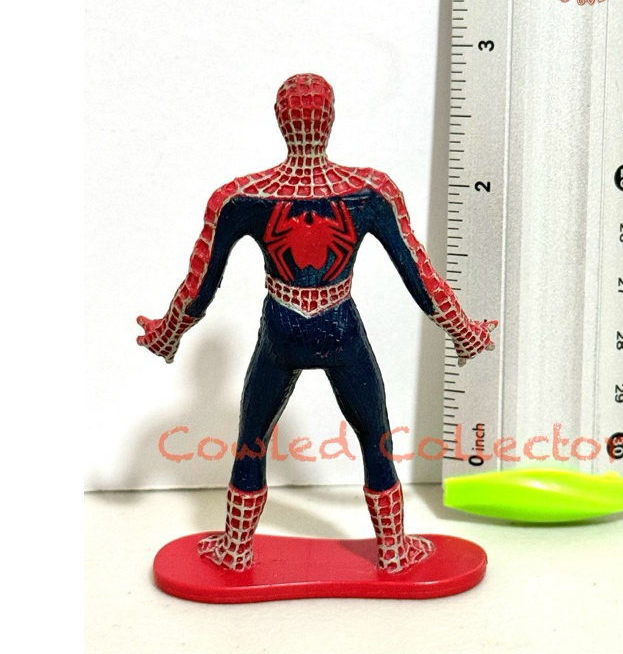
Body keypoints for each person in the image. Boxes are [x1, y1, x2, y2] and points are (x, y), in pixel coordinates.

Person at [137, 73, 496, 572]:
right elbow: (419, 274)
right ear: (329, 119)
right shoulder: (370, 191)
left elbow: (200, 286)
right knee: (375, 437)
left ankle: (236, 550)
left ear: (280, 120)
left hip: (281, 328)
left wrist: (167, 334)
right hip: (339, 326)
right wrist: (464, 332)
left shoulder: (241, 197)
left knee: (251, 440)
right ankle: (393, 550)